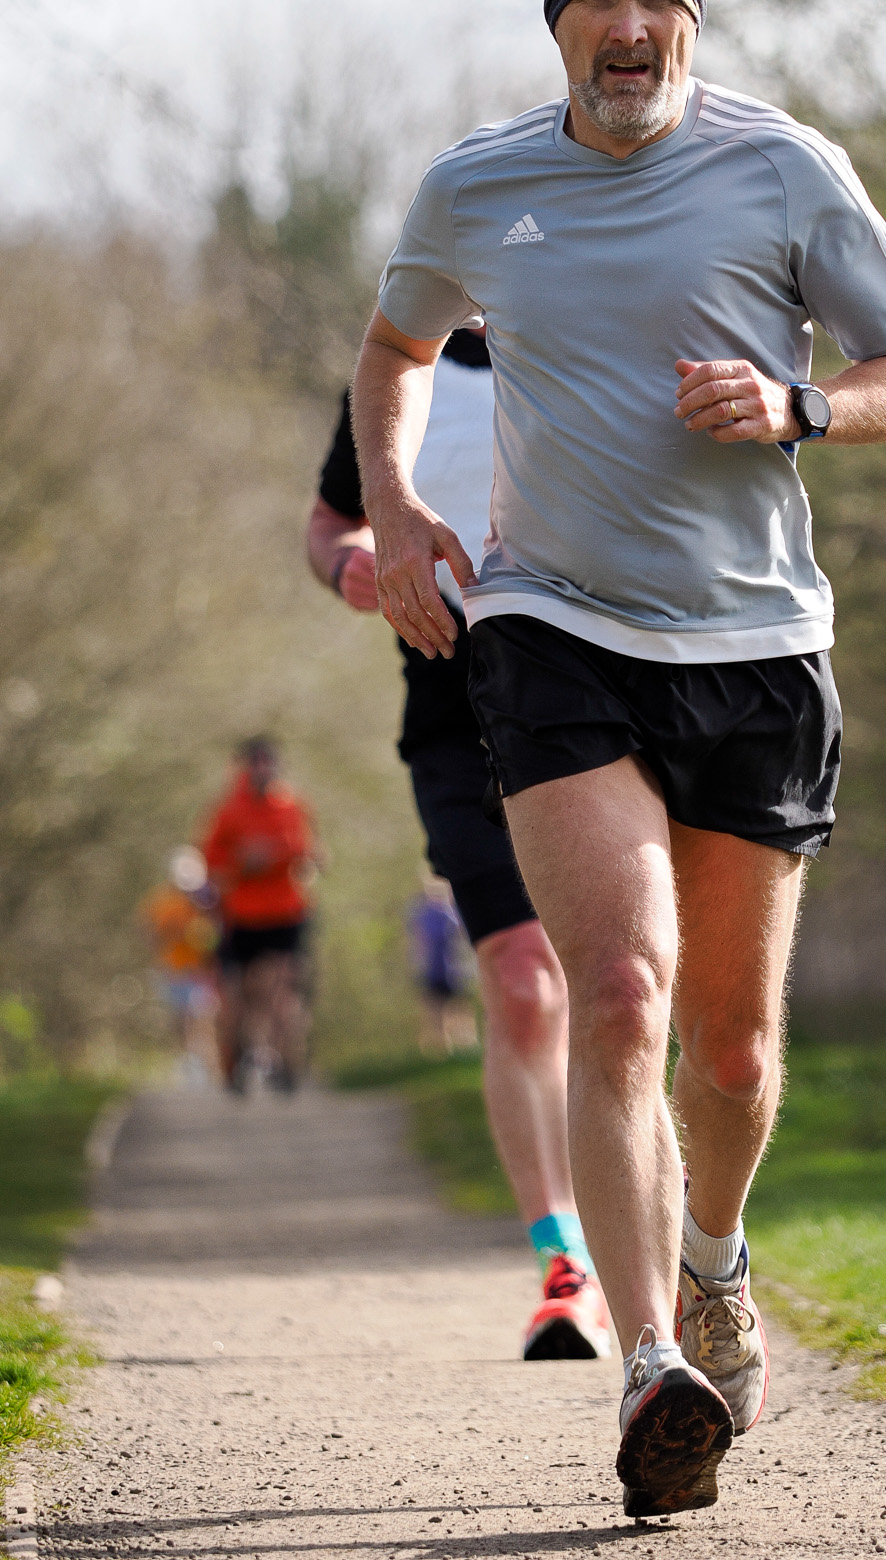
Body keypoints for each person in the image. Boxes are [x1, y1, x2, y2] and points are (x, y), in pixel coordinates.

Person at [352, 0, 886, 1518]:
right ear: (557, 17)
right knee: (616, 992)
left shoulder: (784, 168)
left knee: (736, 1060)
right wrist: (399, 512)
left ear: (692, 9)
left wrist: (799, 405)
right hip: (554, 624)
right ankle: (646, 1367)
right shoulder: (477, 186)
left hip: (756, 648)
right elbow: (393, 351)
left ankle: (712, 1261)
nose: (629, 27)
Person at [306, 334, 611, 1362]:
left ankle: (652, 1230)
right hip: (449, 712)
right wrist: (347, 561)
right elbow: (327, 522)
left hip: (591, 700)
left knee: (619, 979)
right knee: (523, 985)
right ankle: (563, 1258)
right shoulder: (398, 375)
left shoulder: (583, 334)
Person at [200, 736, 316, 1094]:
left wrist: (282, 855)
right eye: (256, 763)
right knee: (244, 995)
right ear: (243, 767)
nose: (263, 769)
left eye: (269, 762)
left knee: (283, 988)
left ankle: (285, 1061)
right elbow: (209, 860)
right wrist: (241, 863)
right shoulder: (227, 810)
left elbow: (309, 852)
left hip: (287, 912)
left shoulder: (292, 806)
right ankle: (237, 1054)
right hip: (242, 916)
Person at [139, 846, 221, 1085]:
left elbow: (217, 933)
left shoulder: (208, 899)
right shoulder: (162, 901)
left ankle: (208, 1066)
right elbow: (149, 932)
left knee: (201, 1017)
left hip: (201, 971)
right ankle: (192, 1062)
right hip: (173, 970)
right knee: (181, 1019)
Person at [408, 872, 478, 1056]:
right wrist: (418, 964)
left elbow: (463, 940)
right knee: (434, 1011)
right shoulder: (421, 911)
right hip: (433, 969)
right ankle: (438, 1051)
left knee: (459, 1010)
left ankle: (464, 1048)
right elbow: (418, 942)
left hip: (455, 969)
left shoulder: (455, 910)